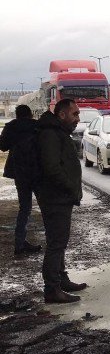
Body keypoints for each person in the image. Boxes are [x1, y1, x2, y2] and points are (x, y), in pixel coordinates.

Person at [36, 99, 87, 303]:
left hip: (59, 196)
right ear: (62, 115)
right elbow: (52, 168)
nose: (78, 118)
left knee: (60, 241)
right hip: (55, 197)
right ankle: (52, 289)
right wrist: (69, 186)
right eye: (74, 114)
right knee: (56, 243)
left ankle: (61, 279)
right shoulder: (50, 134)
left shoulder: (57, 131)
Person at [0, 105, 43, 256]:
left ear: (17, 115)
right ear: (30, 114)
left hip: (20, 173)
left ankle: (19, 245)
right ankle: (52, 242)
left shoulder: (11, 127)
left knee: (24, 208)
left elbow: (3, 146)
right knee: (45, 207)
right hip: (37, 172)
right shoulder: (37, 126)